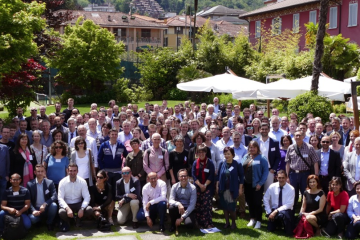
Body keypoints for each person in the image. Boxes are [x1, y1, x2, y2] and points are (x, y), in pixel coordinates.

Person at [98, 128, 128, 224]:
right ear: (109, 135)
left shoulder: (120, 145)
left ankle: (113, 214)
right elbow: (99, 158)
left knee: (115, 194)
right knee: (108, 193)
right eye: (112, 134)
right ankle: (107, 215)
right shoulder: (104, 145)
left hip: (118, 173)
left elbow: (127, 156)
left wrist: (124, 167)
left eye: (115, 134)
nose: (114, 136)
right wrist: (103, 170)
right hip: (107, 173)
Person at [285, 130, 319, 213]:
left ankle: (306, 212)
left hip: (305, 174)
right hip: (293, 174)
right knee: (293, 193)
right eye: (296, 135)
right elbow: (288, 162)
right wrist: (287, 176)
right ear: (294, 137)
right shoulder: (290, 147)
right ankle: (291, 212)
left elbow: (315, 162)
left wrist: (316, 175)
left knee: (306, 193)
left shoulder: (309, 147)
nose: (298, 137)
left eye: (299, 135)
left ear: (303, 137)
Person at [58, 164, 93, 232]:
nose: (72, 173)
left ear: (77, 171)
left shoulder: (82, 181)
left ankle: (78, 220)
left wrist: (82, 208)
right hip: (67, 203)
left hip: (78, 203)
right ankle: (69, 221)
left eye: (74, 171)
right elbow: (60, 198)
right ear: (67, 171)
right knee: (61, 212)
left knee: (89, 209)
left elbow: (87, 197)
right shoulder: (62, 182)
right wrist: (67, 208)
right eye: (70, 171)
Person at [242, 141, 269, 229]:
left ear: (257, 148)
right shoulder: (246, 157)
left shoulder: (262, 158)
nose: (252, 149)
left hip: (257, 185)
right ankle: (252, 218)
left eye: (254, 147)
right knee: (250, 202)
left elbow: (265, 172)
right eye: (250, 147)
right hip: (247, 184)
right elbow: (241, 168)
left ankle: (258, 220)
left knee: (257, 203)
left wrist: (260, 183)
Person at [216, 147, 244, 229]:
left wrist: (240, 188)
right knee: (225, 206)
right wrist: (217, 186)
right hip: (223, 188)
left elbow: (241, 177)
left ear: (232, 154)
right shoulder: (222, 163)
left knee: (232, 207)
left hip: (233, 189)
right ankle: (227, 222)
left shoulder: (237, 164)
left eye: (228, 154)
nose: (226, 156)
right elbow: (218, 176)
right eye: (225, 154)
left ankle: (233, 223)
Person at [27, 164, 58, 230]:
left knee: (54, 205)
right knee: (32, 219)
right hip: (36, 208)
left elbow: (54, 196)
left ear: (44, 172)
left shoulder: (49, 182)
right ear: (35, 172)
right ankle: (39, 221)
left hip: (46, 207)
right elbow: (28, 200)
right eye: (38, 171)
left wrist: (45, 203)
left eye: (42, 171)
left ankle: (49, 223)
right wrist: (33, 210)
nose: (40, 173)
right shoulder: (30, 184)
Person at [263, 170, 295, 235]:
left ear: (286, 178)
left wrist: (276, 211)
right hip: (273, 210)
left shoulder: (291, 189)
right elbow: (265, 198)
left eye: (283, 178)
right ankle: (278, 224)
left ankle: (285, 226)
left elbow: (289, 204)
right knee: (270, 229)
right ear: (276, 178)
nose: (281, 180)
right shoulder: (272, 186)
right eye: (279, 178)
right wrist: (269, 212)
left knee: (288, 232)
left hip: (286, 211)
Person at [192, 144, 215, 229]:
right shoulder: (195, 163)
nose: (201, 154)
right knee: (198, 204)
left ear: (206, 152)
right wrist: (200, 185)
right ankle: (199, 223)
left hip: (208, 187)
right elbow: (194, 175)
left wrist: (204, 185)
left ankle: (207, 223)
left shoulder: (210, 162)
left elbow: (211, 175)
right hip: (198, 186)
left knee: (206, 205)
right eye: (199, 152)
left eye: (203, 152)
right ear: (197, 153)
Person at [254, 123, 281, 192]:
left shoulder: (274, 142)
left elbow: (278, 157)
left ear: (269, 130)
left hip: (269, 170)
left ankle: (268, 203)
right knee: (257, 190)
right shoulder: (255, 142)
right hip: (257, 169)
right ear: (260, 130)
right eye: (262, 129)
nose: (264, 130)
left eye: (266, 129)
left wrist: (274, 169)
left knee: (269, 191)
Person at [169, 169, 196, 235]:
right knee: (171, 208)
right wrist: (178, 203)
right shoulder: (174, 186)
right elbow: (170, 200)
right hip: (178, 208)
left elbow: (192, 205)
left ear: (188, 177)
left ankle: (182, 220)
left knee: (189, 225)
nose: (183, 178)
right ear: (178, 177)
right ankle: (173, 225)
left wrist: (182, 217)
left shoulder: (193, 188)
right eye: (181, 176)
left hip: (188, 209)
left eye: (185, 176)